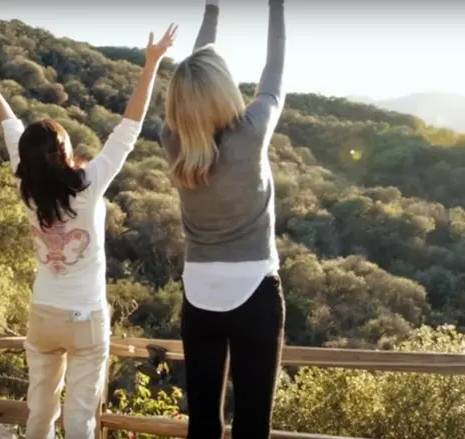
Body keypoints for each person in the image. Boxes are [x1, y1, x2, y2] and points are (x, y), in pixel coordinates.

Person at [0, 24, 177, 439]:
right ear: (64, 151)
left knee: (40, 410)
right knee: (80, 417)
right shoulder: (90, 184)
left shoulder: (26, 185)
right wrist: (151, 63)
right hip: (86, 318)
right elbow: (129, 128)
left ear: (26, 157)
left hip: (44, 313)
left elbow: (8, 123)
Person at [158, 0, 286, 438]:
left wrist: (212, 9)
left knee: (203, 424)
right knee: (252, 424)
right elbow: (274, 70)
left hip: (199, 295)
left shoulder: (172, 141)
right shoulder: (250, 134)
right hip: (255, 291)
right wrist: (276, 7)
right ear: (224, 89)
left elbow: (196, 67)